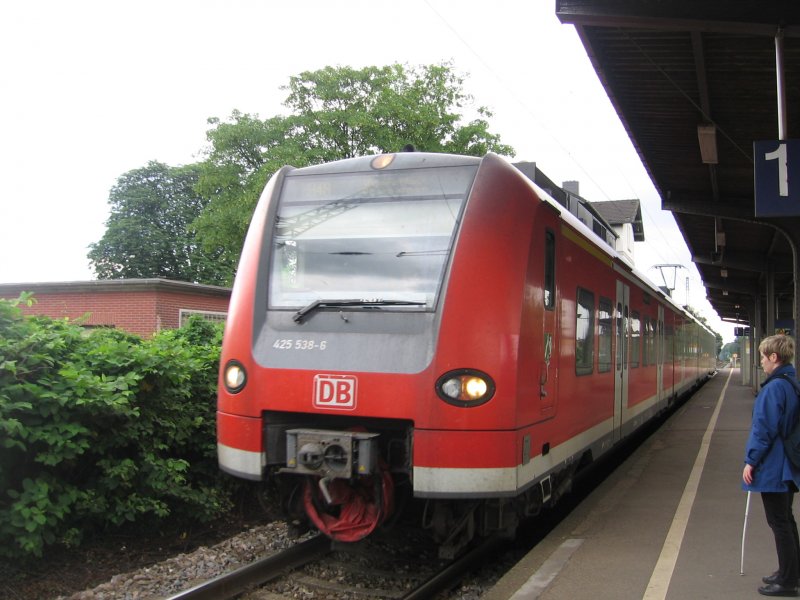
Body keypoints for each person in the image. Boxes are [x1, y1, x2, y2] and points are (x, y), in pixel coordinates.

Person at [743, 334, 800, 597]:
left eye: (763, 358)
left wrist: (751, 461)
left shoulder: (774, 388)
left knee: (779, 521)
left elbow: (763, 429)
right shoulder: (790, 382)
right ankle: (789, 572)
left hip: (775, 465)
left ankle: (787, 581)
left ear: (774, 358)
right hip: (786, 463)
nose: (762, 363)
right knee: (785, 520)